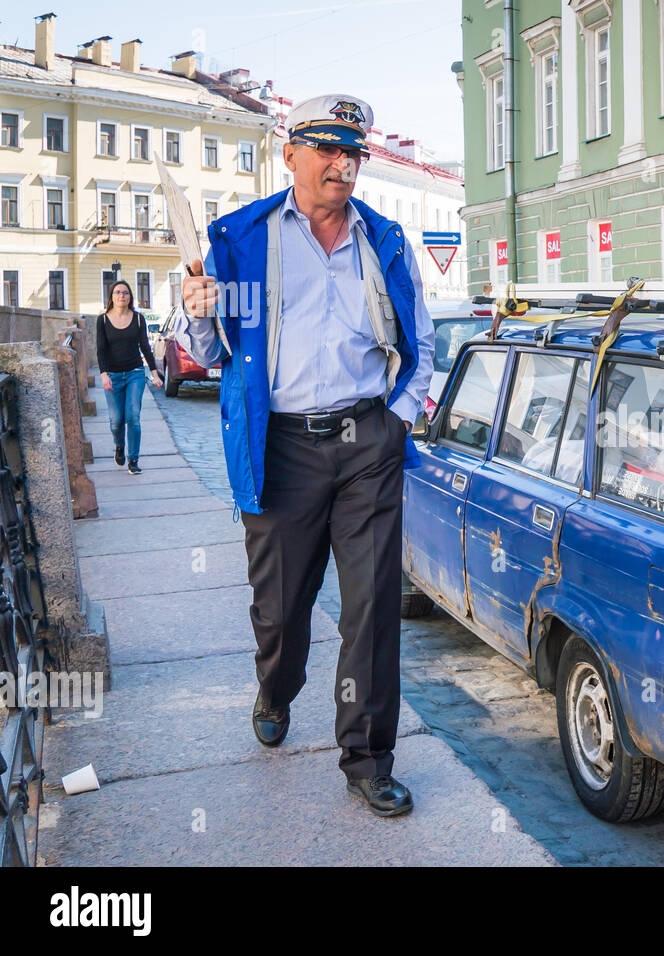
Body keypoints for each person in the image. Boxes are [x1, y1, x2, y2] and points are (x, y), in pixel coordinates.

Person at [177, 94, 435, 817]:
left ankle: (366, 758)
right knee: (282, 610)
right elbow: (209, 352)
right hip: (280, 444)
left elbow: (421, 343)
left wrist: (398, 421)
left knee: (372, 607)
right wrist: (196, 312)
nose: (340, 164)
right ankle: (275, 685)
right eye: (325, 149)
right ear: (289, 155)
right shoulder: (243, 236)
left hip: (366, 445)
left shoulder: (383, 240)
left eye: (351, 152)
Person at [96, 279, 163, 476]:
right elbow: (101, 351)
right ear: (111, 297)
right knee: (116, 421)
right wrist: (104, 375)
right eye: (117, 292)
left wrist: (154, 373)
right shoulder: (103, 320)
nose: (121, 296)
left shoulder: (138, 319)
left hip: (135, 374)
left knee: (132, 417)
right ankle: (119, 446)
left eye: (125, 293)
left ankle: (133, 459)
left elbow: (145, 347)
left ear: (130, 297)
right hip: (113, 376)